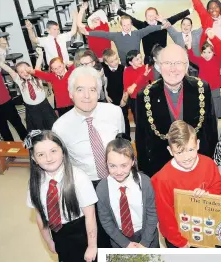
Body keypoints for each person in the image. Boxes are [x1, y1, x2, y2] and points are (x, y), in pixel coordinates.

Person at [52, 66, 125, 248]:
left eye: (92, 90)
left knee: (124, 228)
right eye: (80, 90)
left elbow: (124, 144)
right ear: (70, 93)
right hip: (88, 187)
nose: (87, 96)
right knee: (100, 237)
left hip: (118, 179)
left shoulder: (115, 112)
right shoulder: (60, 127)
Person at [136, 44, 218, 178]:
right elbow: (141, 140)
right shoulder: (145, 96)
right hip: (162, 170)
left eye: (178, 63)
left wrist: (211, 165)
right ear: (159, 66)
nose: (173, 69)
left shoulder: (202, 88)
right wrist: (146, 176)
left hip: (197, 166)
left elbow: (211, 131)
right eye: (167, 63)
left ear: (186, 66)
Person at [25, 130, 98, 262]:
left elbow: (90, 216)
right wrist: (48, 241)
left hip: (80, 232)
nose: (49, 158)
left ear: (63, 152)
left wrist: (92, 246)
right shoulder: (34, 183)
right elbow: (40, 216)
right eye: (41, 154)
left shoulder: (79, 178)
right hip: (57, 232)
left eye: (53, 151)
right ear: (34, 159)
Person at [151, 120, 221, 248]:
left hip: (207, 229)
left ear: (198, 144)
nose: (186, 157)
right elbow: (165, 218)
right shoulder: (161, 179)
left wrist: (208, 194)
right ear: (170, 150)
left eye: (191, 149)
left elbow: (218, 186)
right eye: (179, 152)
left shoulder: (209, 163)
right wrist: (180, 242)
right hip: (180, 238)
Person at [96, 134, 159, 248]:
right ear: (106, 163)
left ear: (133, 161)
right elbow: (106, 221)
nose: (118, 171)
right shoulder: (102, 188)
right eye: (112, 166)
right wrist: (125, 244)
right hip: (120, 239)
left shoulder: (145, 182)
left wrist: (145, 243)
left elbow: (152, 214)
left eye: (124, 165)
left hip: (147, 237)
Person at [0, 54, 57, 132]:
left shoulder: (37, 75)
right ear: (18, 74)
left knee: (52, 124)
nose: (25, 73)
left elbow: (38, 64)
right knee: (39, 129)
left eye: (26, 70)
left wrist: (40, 55)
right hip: (31, 109)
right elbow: (9, 70)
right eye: (21, 72)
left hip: (44, 105)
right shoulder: (19, 80)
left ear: (30, 68)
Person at [116, 5, 191, 64]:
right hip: (148, 59)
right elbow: (131, 19)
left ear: (157, 16)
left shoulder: (164, 24)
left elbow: (176, 17)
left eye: (153, 15)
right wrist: (119, 12)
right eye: (149, 15)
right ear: (145, 17)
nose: (151, 17)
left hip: (162, 57)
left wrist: (188, 11)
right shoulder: (142, 25)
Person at [78, 15, 164, 65]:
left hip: (138, 64)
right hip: (124, 65)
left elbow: (149, 29)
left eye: (128, 25)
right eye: (124, 25)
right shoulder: (116, 36)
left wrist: (161, 26)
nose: (127, 27)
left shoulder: (137, 33)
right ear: (121, 26)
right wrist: (88, 33)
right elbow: (103, 34)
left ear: (131, 25)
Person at [29, 49, 74, 117]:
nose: (59, 70)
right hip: (61, 106)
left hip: (73, 104)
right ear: (52, 70)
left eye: (60, 66)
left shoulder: (70, 74)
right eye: (55, 69)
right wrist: (31, 71)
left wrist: (71, 66)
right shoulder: (52, 77)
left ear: (63, 65)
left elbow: (74, 71)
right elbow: (40, 74)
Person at [0, 40, 27, 141]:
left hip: (6, 101)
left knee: (17, 123)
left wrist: (2, 45)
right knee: (3, 128)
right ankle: (10, 152)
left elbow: (0, 57)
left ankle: (28, 143)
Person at [187, 42, 221, 118]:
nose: (206, 54)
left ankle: (216, 117)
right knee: (204, 103)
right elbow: (191, 57)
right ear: (202, 53)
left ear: (213, 52)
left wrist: (212, 39)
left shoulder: (217, 60)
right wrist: (189, 47)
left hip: (215, 87)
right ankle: (206, 117)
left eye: (209, 52)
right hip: (203, 87)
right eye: (204, 52)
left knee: (216, 103)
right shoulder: (201, 60)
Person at [101, 49, 131, 139]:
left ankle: (127, 138)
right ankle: (116, 138)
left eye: (116, 59)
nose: (115, 62)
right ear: (106, 63)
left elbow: (126, 85)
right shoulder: (104, 69)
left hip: (122, 97)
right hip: (111, 98)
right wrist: (106, 96)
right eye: (112, 61)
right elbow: (105, 84)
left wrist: (124, 99)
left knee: (124, 118)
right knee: (113, 119)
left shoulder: (123, 68)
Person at [124, 50, 153, 123]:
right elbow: (129, 90)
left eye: (140, 57)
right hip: (135, 100)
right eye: (137, 59)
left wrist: (134, 85)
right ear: (130, 62)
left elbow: (152, 82)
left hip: (146, 97)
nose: (140, 60)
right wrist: (143, 76)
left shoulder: (146, 68)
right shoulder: (127, 71)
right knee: (138, 121)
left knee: (149, 120)